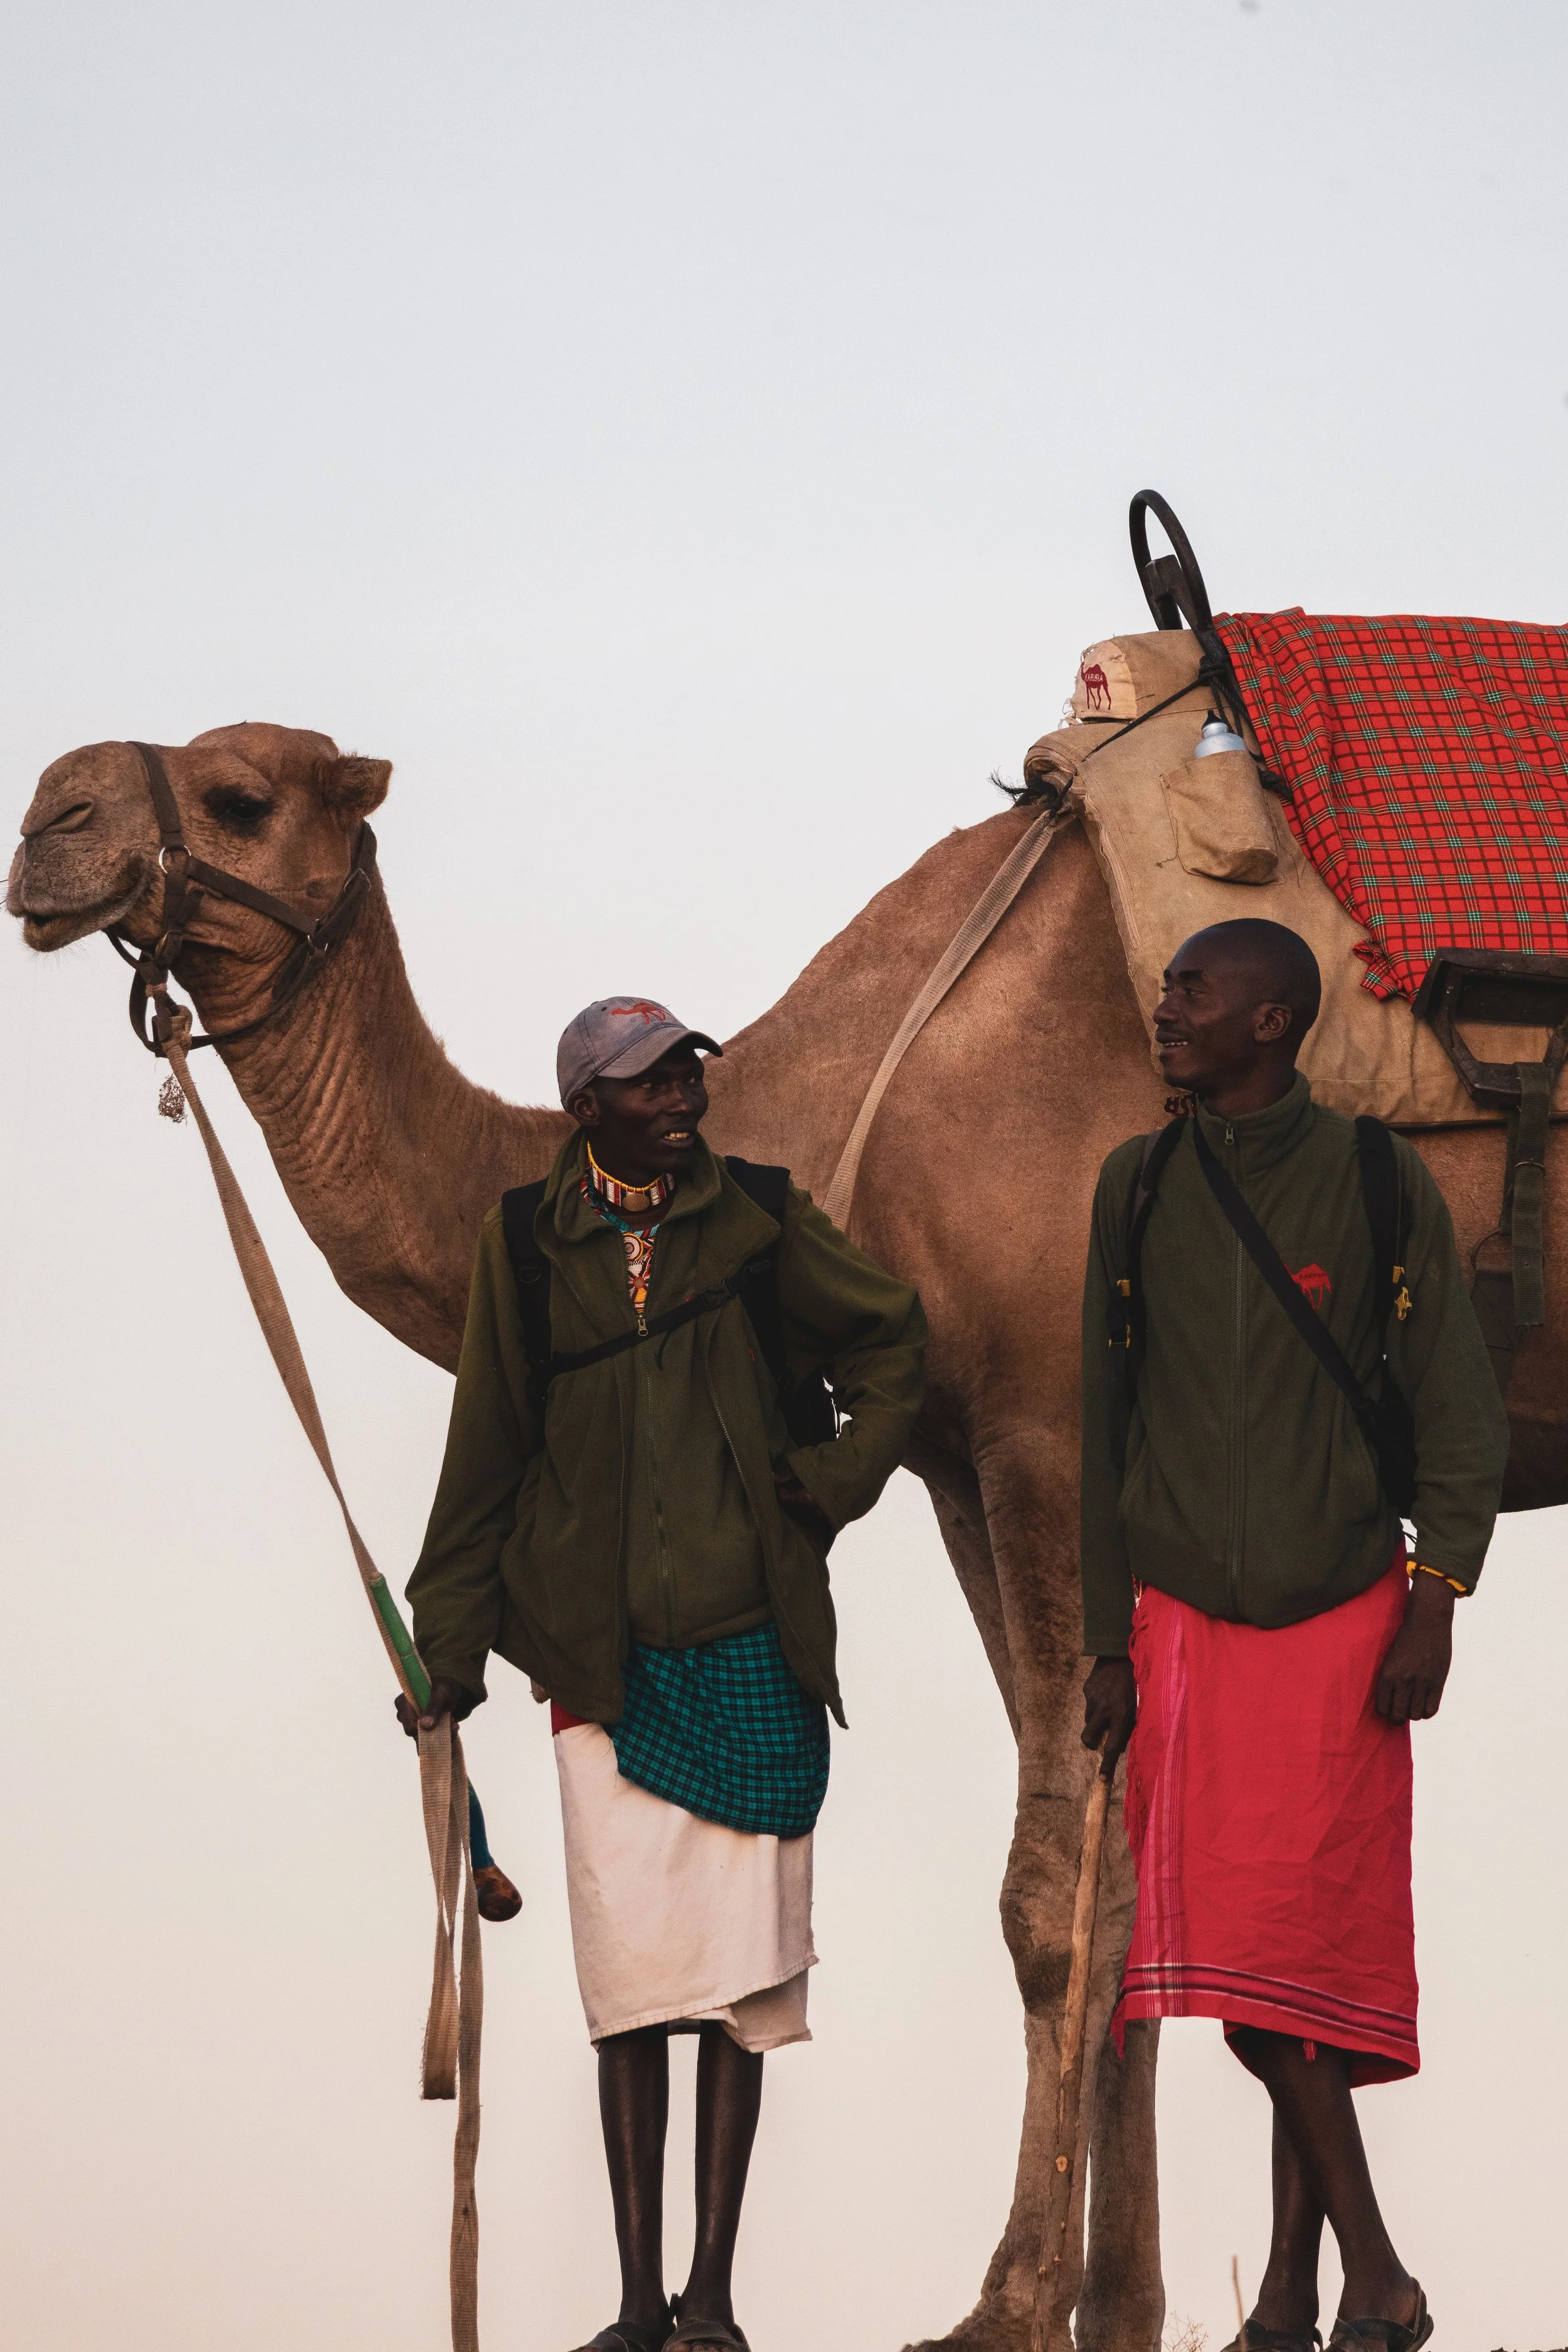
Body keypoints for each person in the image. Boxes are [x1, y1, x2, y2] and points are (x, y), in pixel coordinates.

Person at [400, 997, 926, 2352]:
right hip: (598, 1660)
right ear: (587, 1107)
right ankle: (638, 2308)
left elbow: (892, 1341)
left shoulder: (756, 1218)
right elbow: (487, 1453)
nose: (681, 1092)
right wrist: (444, 1647)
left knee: (738, 1989)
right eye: (646, 1080)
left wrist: (819, 1489)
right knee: (633, 1988)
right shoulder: (524, 1247)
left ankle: (712, 2302)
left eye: (686, 1069)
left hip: (754, 1635)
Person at [1079, 919, 1509, 2352]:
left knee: (1292, 1979)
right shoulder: (1133, 1188)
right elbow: (1103, 1429)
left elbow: (1453, 1406)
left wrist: (1435, 1597)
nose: (1166, 1007)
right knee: (1256, 1979)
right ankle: (1305, 2295)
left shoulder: (1375, 1183)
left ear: (1270, 1023)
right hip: (1182, 1617)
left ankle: (1347, 2285)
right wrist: (1101, 1639)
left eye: (1191, 990)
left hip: (1344, 1615)